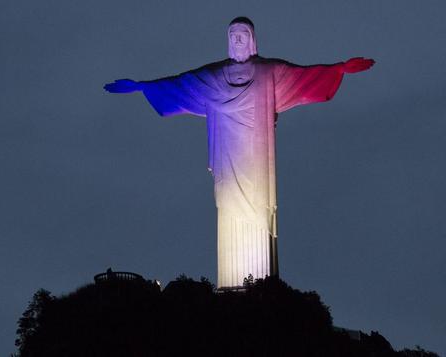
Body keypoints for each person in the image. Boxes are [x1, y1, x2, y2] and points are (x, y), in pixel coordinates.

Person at [104, 17, 374, 288]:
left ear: (253, 39)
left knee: (257, 213)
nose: (237, 39)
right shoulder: (214, 76)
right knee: (229, 211)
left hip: (256, 162)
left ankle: (260, 287)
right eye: (232, 35)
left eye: (242, 34)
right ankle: (233, 287)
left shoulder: (269, 72)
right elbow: (181, 84)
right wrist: (143, 87)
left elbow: (304, 76)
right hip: (227, 159)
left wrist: (340, 69)